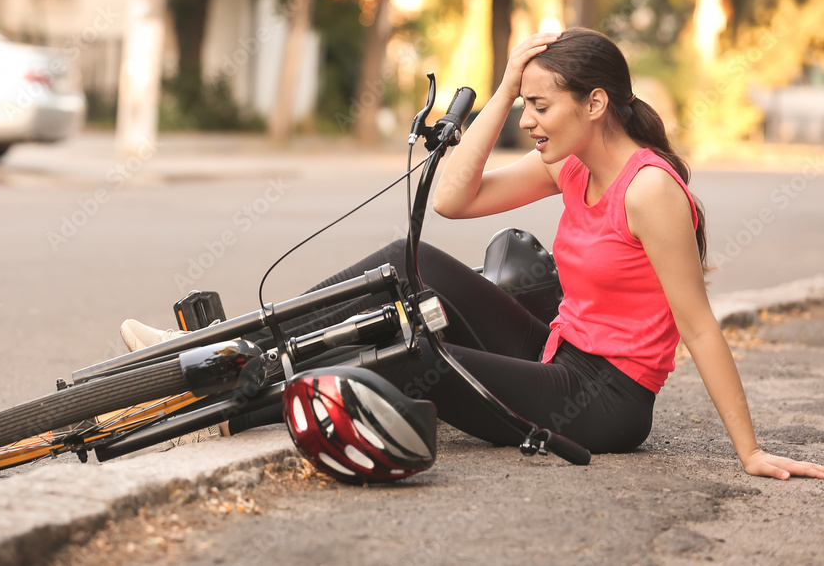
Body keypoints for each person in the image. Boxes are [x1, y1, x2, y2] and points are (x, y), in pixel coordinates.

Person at [124, 28, 824, 480]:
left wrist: (750, 450)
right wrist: (506, 81)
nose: (528, 121)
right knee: (406, 256)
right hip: (554, 348)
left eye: (540, 106)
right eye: (525, 104)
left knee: (412, 352)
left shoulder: (650, 192)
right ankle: (226, 344)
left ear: (596, 103)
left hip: (604, 398)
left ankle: (231, 404)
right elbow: (456, 200)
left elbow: (698, 325)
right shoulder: (572, 164)